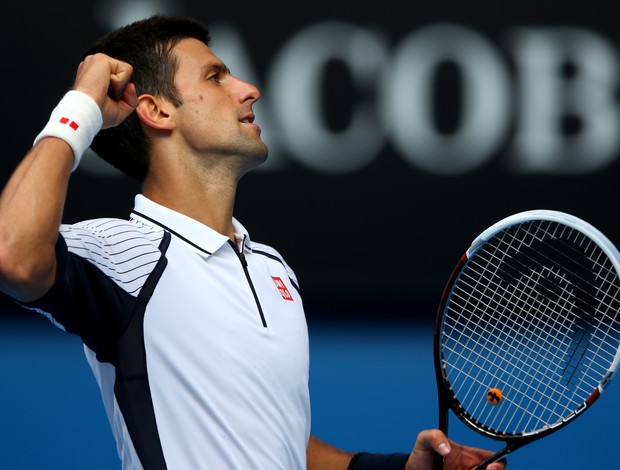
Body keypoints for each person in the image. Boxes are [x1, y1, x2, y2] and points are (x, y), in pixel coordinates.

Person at [0, 14, 506, 470]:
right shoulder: (121, 255)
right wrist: (81, 107)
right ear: (156, 112)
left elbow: (273, 444)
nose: (249, 89)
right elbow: (11, 257)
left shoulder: (273, 267)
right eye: (215, 77)